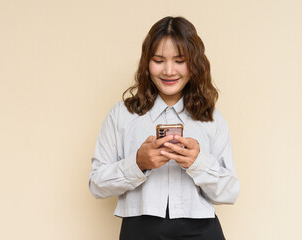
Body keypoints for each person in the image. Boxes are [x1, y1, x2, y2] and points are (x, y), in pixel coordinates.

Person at [88, 16, 240, 240]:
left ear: (194, 63)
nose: (169, 71)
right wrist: (138, 163)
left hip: (201, 231)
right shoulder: (121, 115)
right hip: (139, 231)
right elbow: (96, 184)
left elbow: (230, 192)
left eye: (180, 60)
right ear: (146, 63)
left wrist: (198, 163)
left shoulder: (211, 118)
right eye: (159, 60)